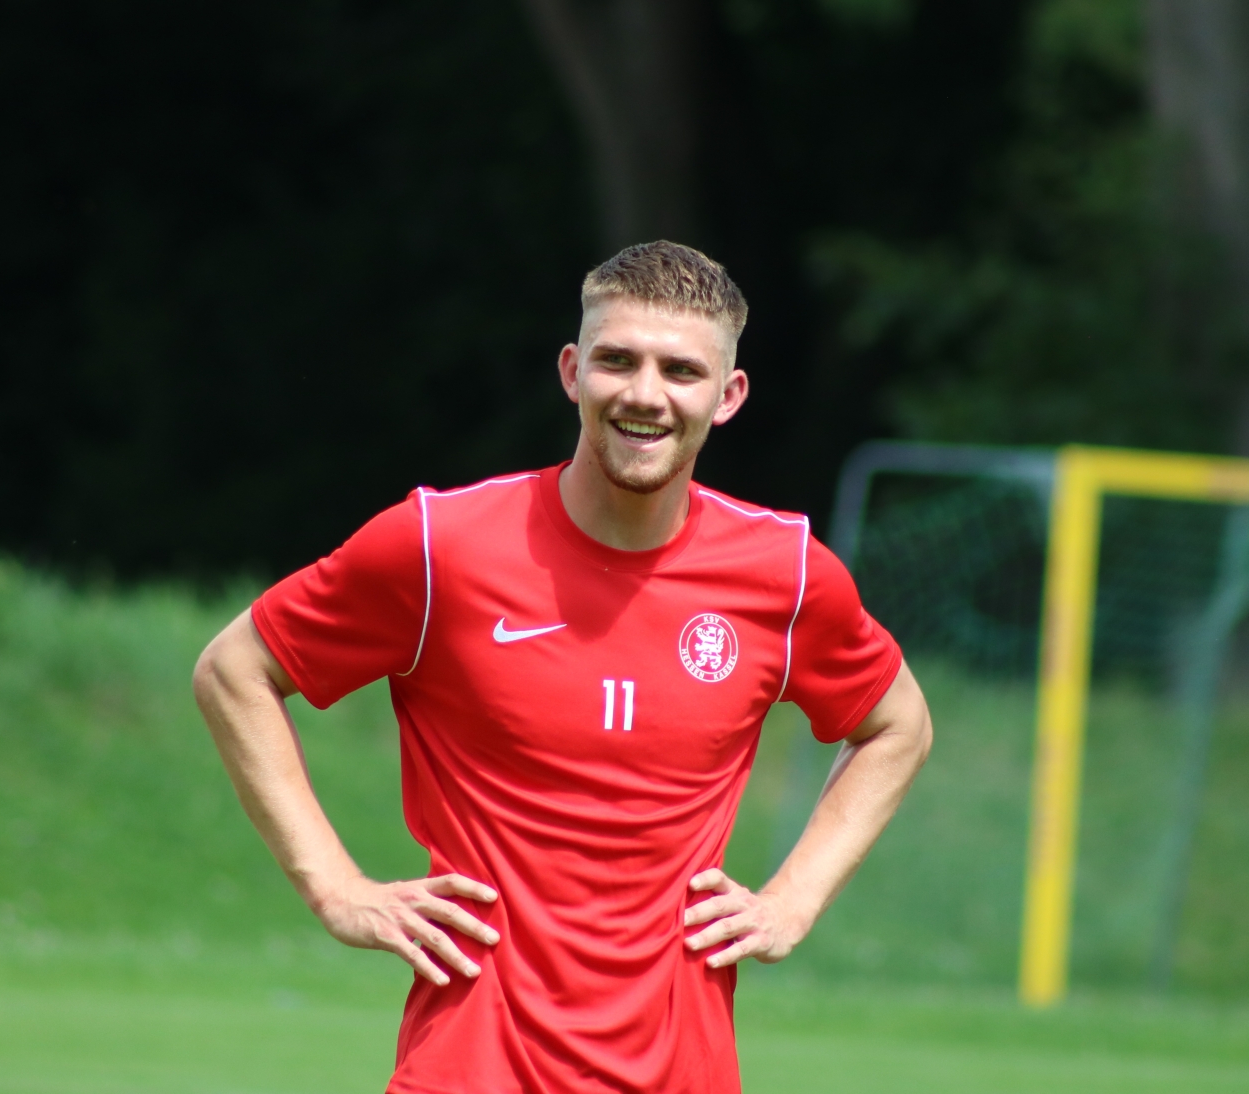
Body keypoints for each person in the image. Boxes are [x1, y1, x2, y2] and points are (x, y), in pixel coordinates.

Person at [194, 241, 932, 1094]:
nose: (645, 394)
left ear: (728, 396)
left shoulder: (787, 573)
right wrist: (334, 887)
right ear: (572, 372)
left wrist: (793, 899)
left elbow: (898, 726)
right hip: (467, 1070)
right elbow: (234, 672)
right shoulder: (440, 548)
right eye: (617, 360)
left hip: (682, 1072)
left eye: (681, 371)